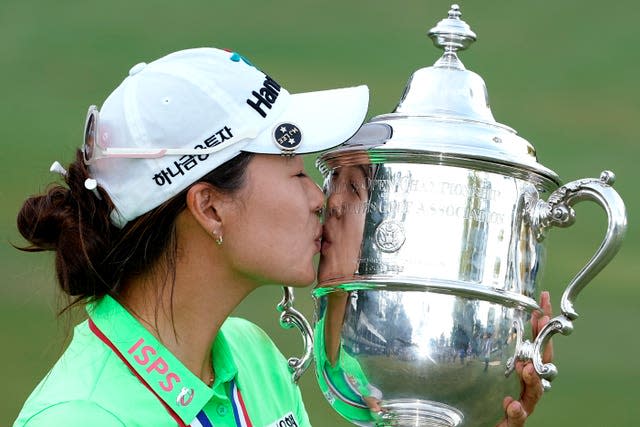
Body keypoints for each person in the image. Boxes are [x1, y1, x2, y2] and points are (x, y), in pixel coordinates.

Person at [13, 47, 370, 427]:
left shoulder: (253, 355)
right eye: (295, 172)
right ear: (210, 208)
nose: (319, 198)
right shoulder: (80, 417)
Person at [316, 162, 554, 427]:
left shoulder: (332, 378)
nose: (328, 200)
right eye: (331, 180)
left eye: (352, 187)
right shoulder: (282, 368)